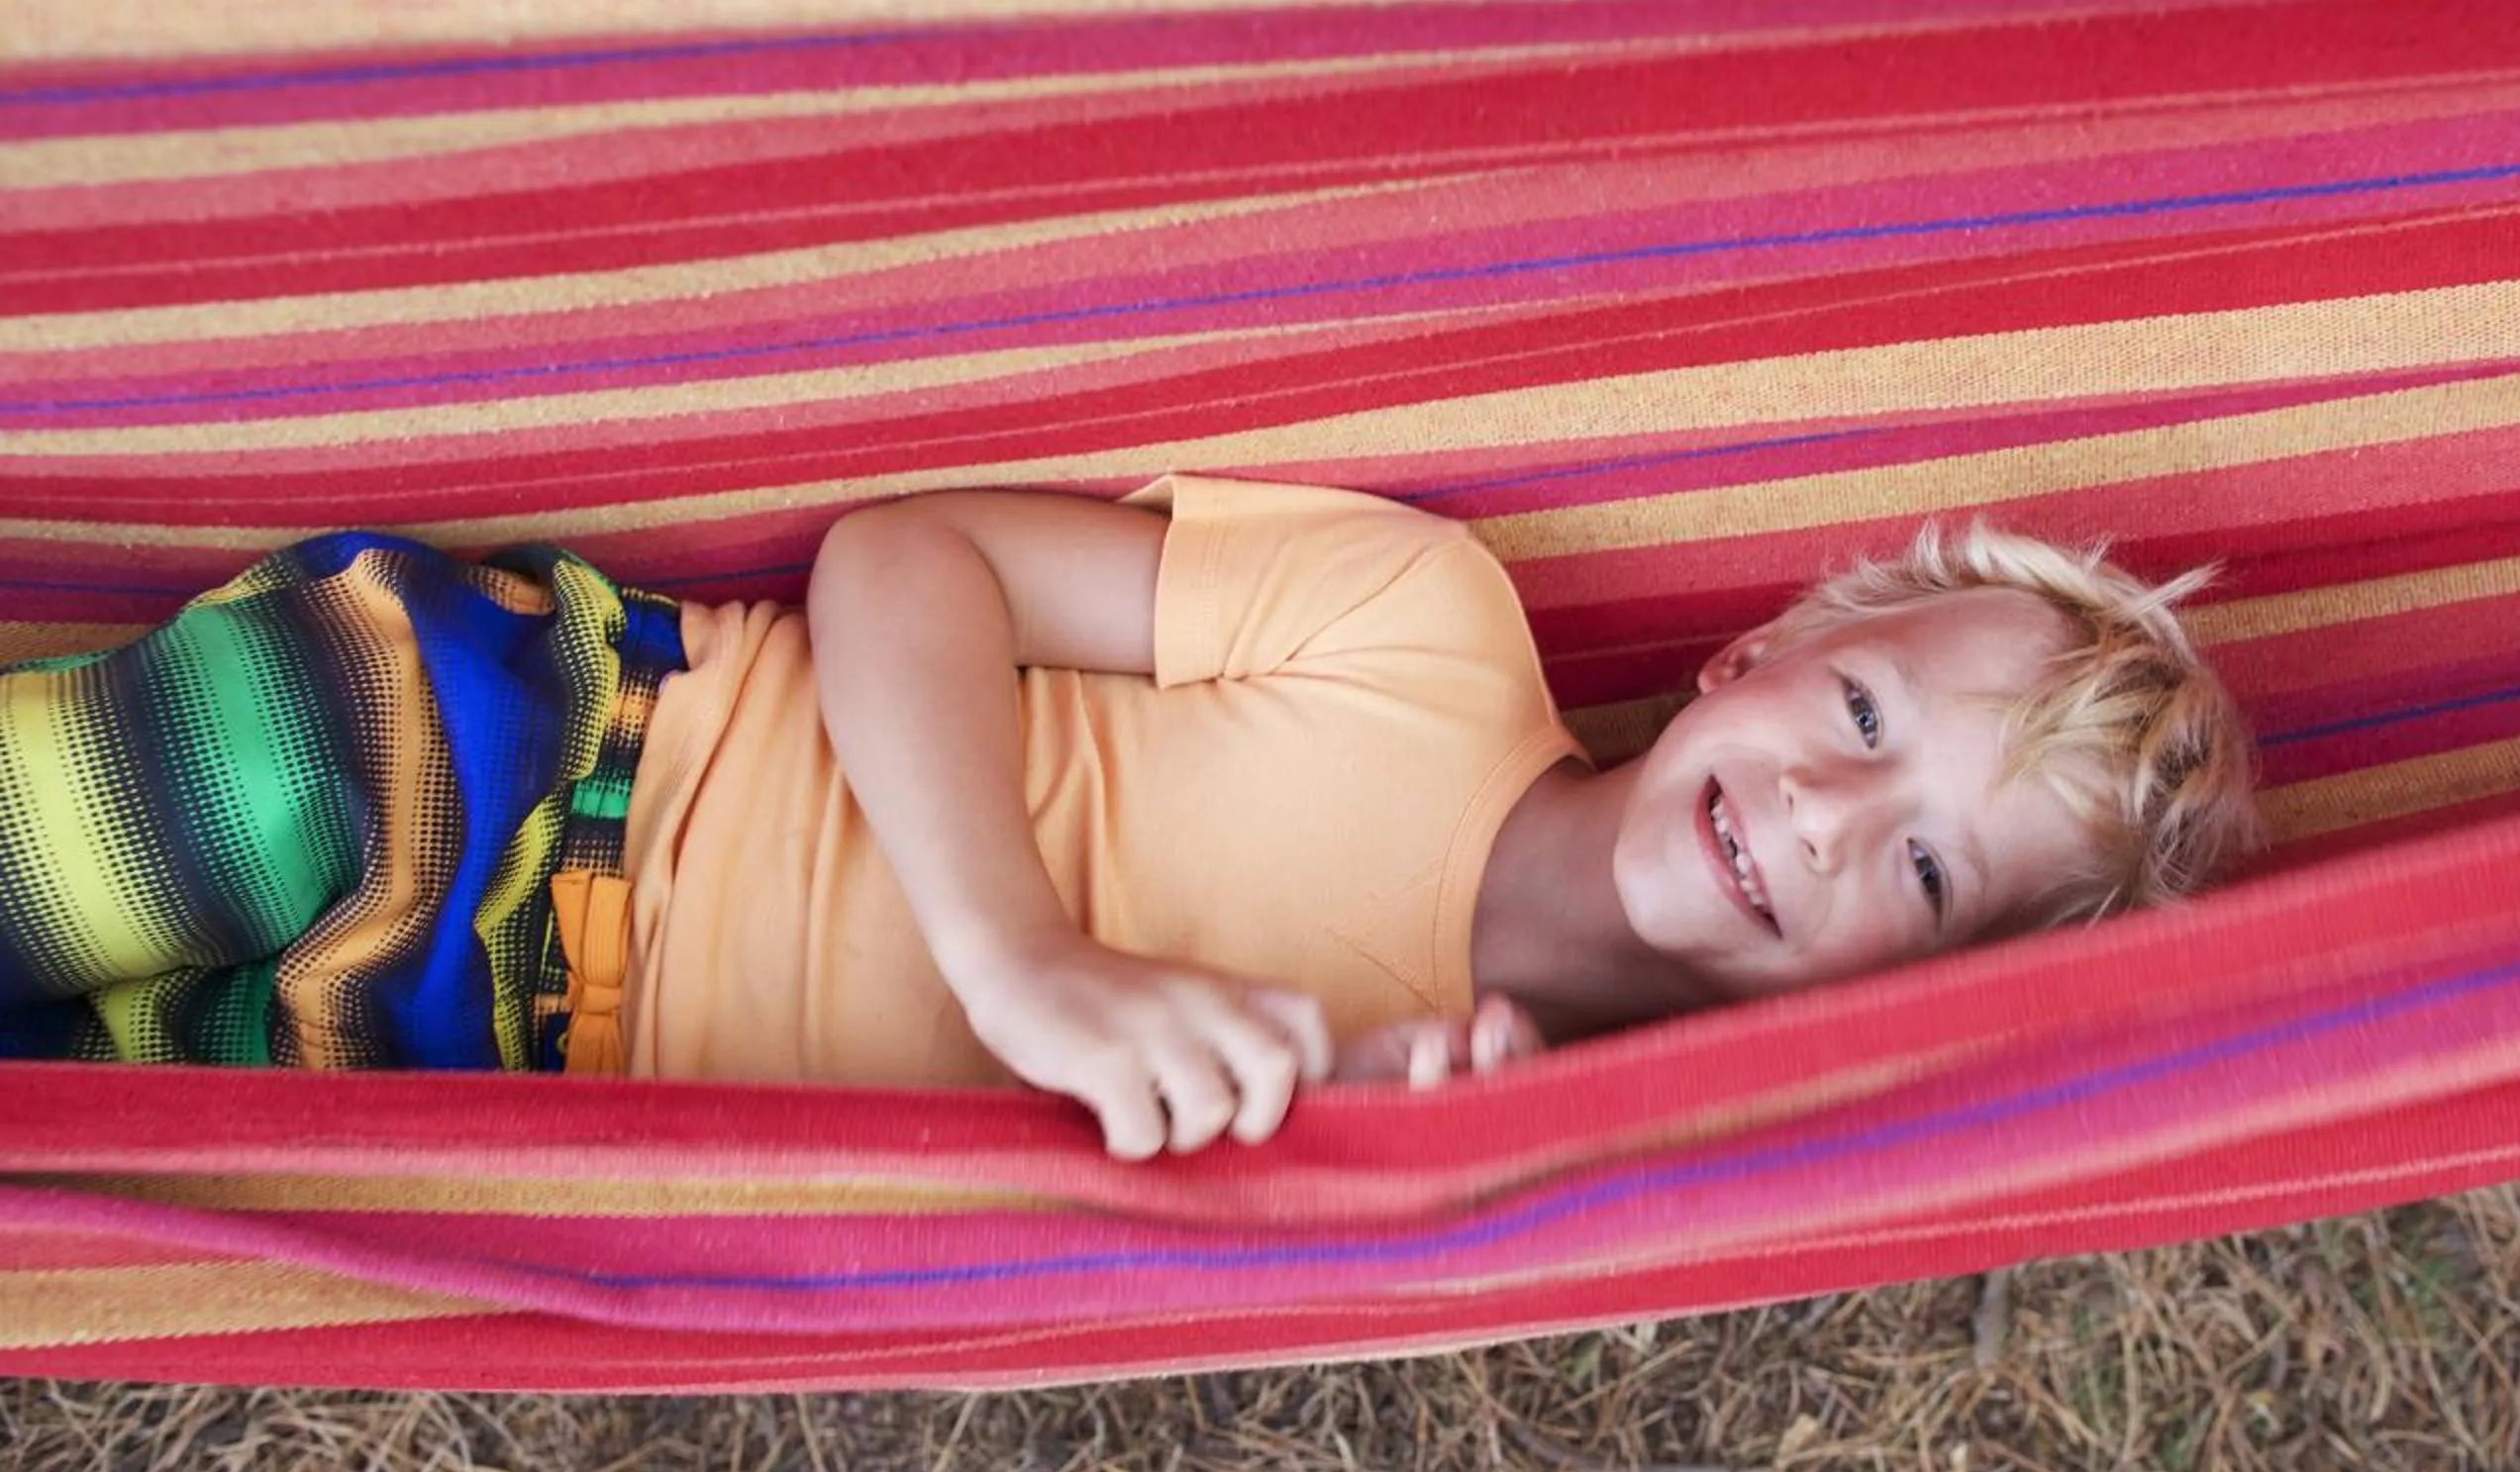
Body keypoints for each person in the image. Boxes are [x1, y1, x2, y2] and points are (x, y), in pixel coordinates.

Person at [0, 478, 2260, 1157]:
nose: (1832, 814)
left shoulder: (1505, 1149)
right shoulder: (1419, 629)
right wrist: (1021, 959)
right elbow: (907, 562)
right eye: (1862, 709)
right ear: (1751, 655)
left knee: (74, 1147)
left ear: (1918, 983)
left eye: (1933, 867)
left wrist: (1350, 1149)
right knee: (237, 779)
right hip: (534, 754)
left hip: (461, 1103)